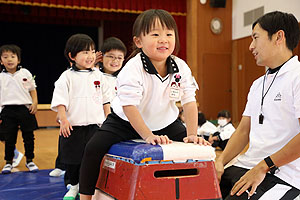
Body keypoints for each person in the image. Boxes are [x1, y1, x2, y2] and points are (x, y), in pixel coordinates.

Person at [79, 9, 210, 200]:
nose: (163, 39)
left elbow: (189, 101)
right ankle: (85, 197)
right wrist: (148, 135)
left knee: (197, 149)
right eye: (155, 34)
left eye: (169, 34)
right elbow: (129, 107)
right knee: (92, 149)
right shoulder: (133, 67)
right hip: (124, 122)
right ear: (139, 42)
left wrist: (192, 135)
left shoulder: (181, 66)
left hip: (165, 122)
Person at [215, 11, 300, 200]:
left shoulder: (297, 77)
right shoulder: (258, 84)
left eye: (255, 37)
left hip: (283, 174)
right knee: (202, 190)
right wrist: (220, 161)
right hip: (248, 165)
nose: (251, 46)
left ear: (279, 37)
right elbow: (244, 130)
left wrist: (264, 166)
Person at [50, 33, 111, 200]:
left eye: (92, 51)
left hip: (95, 126)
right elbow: (60, 101)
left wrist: (108, 120)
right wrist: (63, 119)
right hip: (73, 125)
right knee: (72, 158)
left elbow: (106, 100)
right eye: (84, 52)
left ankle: (90, 186)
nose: (90, 56)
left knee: (92, 158)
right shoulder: (67, 76)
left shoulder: (99, 75)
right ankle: (73, 185)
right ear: (72, 56)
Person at [0, 44, 39, 174]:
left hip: (24, 109)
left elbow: (32, 89)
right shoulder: (1, 77)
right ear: (1, 61)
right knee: (9, 137)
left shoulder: (25, 73)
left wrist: (34, 102)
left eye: (12, 56)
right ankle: (8, 162)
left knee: (28, 136)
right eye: (5, 57)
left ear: (19, 59)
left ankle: (30, 160)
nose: (9, 59)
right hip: (7, 110)